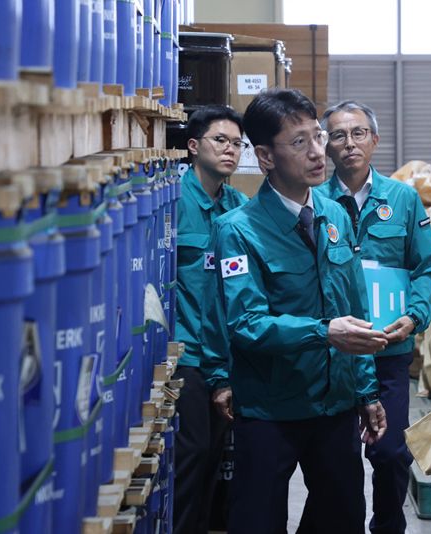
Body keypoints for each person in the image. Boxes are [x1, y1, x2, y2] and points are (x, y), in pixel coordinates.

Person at [202, 88, 388, 534]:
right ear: (265, 157)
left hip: (335, 404)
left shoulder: (335, 216)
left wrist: (366, 391)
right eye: (299, 143)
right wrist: (324, 332)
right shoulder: (237, 232)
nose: (318, 153)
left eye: (318, 137)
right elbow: (247, 324)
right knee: (257, 520)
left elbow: (355, 310)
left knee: (341, 518)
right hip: (271, 409)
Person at [318, 100, 431, 534]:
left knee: (390, 453)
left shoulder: (403, 199)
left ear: (374, 139)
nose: (349, 143)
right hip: (333, 356)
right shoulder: (315, 201)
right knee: (336, 459)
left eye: (357, 133)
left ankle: (387, 526)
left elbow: (428, 266)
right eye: (338, 135)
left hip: (389, 349)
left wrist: (415, 316)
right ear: (326, 145)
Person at [173, 104, 249, 534]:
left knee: (218, 458)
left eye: (237, 144)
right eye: (220, 140)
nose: (231, 150)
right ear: (193, 145)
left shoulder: (239, 210)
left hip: (226, 354)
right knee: (193, 453)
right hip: (185, 351)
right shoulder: (172, 200)